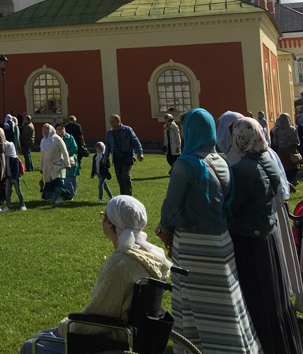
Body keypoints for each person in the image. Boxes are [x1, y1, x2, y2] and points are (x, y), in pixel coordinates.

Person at [155, 108, 261, 354]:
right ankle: (233, 345)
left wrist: (165, 228)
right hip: (222, 241)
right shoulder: (222, 161)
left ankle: (195, 347)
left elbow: (170, 207)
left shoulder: (185, 165)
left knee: (192, 303)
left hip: (193, 245)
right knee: (226, 300)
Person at [20, 196, 171, 354]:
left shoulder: (120, 265)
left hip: (110, 340)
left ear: (110, 223)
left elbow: (98, 318)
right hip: (134, 335)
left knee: (32, 345)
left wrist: (65, 326)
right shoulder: (151, 256)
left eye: (104, 216)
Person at [228, 117, 301, 353]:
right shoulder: (267, 160)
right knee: (276, 298)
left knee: (260, 298)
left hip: (250, 241)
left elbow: (232, 207)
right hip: (268, 238)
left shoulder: (242, 169)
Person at [102, 114, 143, 196]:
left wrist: (140, 153)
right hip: (116, 159)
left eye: (113, 121)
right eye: (110, 122)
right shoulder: (110, 133)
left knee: (125, 176)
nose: (111, 123)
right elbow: (108, 146)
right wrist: (105, 156)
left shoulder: (127, 130)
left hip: (127, 157)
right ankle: (123, 195)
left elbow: (136, 142)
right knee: (120, 178)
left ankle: (129, 195)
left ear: (118, 121)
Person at [39, 124, 70, 204]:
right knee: (50, 182)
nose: (45, 132)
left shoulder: (56, 139)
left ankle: (62, 196)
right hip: (47, 166)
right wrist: (41, 167)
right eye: (44, 130)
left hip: (56, 165)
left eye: (46, 130)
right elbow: (42, 155)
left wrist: (67, 164)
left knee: (57, 182)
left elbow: (64, 151)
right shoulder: (43, 141)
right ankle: (54, 198)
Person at [271, 112, 302, 183]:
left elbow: (275, 142)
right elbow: (297, 141)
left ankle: (286, 180)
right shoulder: (292, 129)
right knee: (293, 164)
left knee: (283, 166)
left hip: (281, 151)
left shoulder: (277, 130)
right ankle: (293, 180)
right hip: (291, 150)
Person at [2, 132, 25, 212]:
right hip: (8, 177)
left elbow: (16, 169)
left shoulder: (14, 158)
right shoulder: (5, 158)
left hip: (14, 178)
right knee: (7, 192)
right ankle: (8, 206)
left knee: (18, 191)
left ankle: (22, 204)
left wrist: (14, 177)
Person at [59, 123, 79, 198]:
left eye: (61, 129)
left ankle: (71, 194)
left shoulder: (70, 137)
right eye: (58, 129)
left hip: (70, 160)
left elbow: (75, 148)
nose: (60, 131)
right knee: (62, 178)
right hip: (60, 160)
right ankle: (64, 194)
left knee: (70, 177)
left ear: (64, 129)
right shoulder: (56, 138)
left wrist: (66, 152)